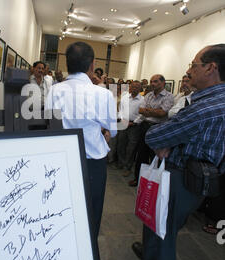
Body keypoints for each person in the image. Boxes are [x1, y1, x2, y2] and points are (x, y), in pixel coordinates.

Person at [123, 44, 225, 260]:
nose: (189, 70)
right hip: (203, 182)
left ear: (211, 68)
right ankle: (150, 252)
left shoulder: (205, 106)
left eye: (194, 64)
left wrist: (168, 141)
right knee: (159, 231)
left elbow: (155, 135)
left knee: (164, 241)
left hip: (181, 180)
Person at [45, 42, 117, 237]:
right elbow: (113, 130)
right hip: (92, 162)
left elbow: (48, 122)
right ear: (92, 64)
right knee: (91, 212)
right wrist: (105, 131)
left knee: (62, 209)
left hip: (61, 159)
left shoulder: (55, 90)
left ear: (67, 63)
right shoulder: (103, 94)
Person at [128, 74, 174, 186]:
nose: (153, 84)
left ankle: (153, 182)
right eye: (151, 81)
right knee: (141, 155)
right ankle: (138, 179)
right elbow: (140, 110)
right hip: (144, 126)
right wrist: (154, 110)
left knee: (155, 156)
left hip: (158, 128)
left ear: (163, 83)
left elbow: (163, 113)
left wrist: (148, 110)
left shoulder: (169, 96)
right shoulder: (148, 95)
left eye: (156, 81)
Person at [117, 81, 144, 175]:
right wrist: (121, 119)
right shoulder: (125, 97)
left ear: (140, 88)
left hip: (134, 126)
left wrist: (134, 122)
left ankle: (128, 167)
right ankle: (121, 162)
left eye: (137, 87)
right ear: (130, 87)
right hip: (123, 123)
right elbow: (120, 110)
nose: (134, 88)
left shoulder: (142, 100)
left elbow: (142, 115)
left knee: (131, 147)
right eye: (133, 86)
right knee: (121, 144)